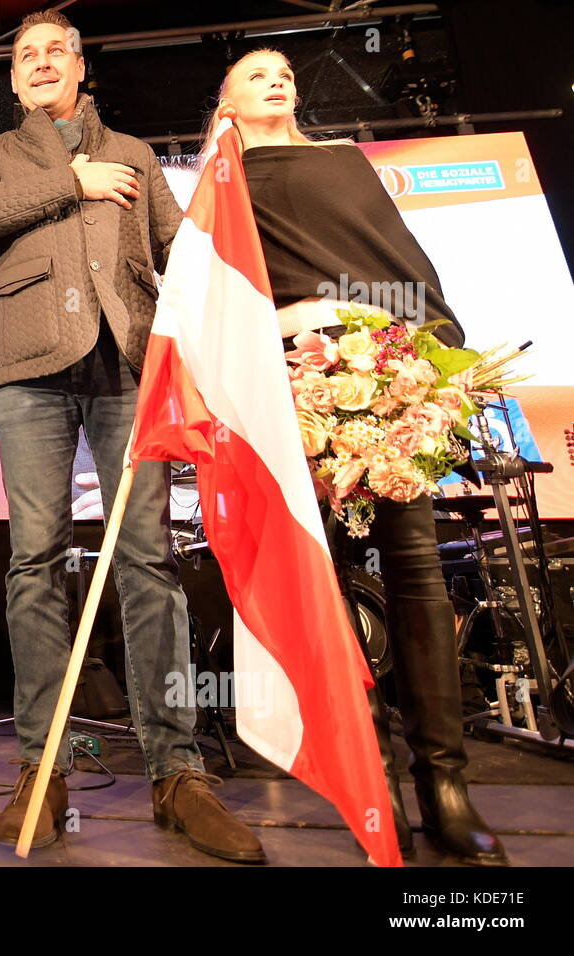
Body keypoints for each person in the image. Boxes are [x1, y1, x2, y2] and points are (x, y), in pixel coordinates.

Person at [0, 10, 264, 862]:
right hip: (28, 370)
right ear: (14, 78)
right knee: (35, 559)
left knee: (149, 559)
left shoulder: (134, 153)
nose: (41, 62)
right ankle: (42, 767)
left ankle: (176, 772)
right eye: (26, 55)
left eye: (56, 51)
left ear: (81, 69)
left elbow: (176, 249)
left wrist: (227, 240)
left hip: (127, 367)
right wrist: (70, 181)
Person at [209, 47, 506, 865]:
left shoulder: (343, 161)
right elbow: (211, 301)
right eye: (256, 73)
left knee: (416, 575)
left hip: (387, 375)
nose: (278, 79)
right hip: (290, 388)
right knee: (327, 586)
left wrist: (431, 357)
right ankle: (373, 785)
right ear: (226, 102)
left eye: (284, 70)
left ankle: (446, 786)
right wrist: (281, 334)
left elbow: (402, 265)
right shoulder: (220, 186)